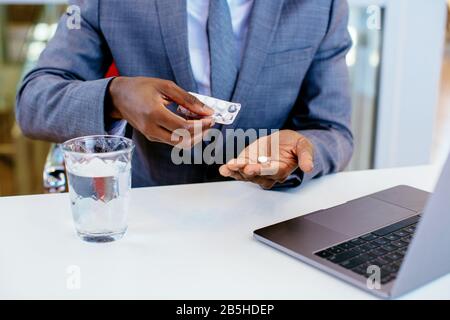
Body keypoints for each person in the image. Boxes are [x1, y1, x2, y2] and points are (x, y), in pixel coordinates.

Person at [16, 0, 353, 190]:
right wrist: (116, 97)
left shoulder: (323, 6)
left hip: (268, 218)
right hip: (149, 219)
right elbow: (34, 101)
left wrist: (299, 149)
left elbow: (333, 130)